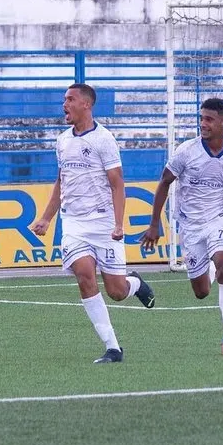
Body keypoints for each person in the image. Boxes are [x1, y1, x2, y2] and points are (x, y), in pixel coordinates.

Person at [31, 83, 156, 364]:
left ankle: (134, 284)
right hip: (73, 223)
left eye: (70, 99)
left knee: (117, 292)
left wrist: (118, 224)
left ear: (86, 104)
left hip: (103, 224)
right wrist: (46, 218)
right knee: (85, 276)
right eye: (64, 99)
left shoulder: (103, 140)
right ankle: (113, 348)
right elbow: (61, 182)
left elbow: (117, 183)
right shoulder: (62, 140)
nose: (64, 104)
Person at [141, 98, 223, 357]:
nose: (203, 124)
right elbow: (164, 183)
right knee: (201, 292)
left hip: (219, 219)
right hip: (190, 226)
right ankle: (205, 267)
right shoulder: (187, 151)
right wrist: (154, 224)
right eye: (202, 118)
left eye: (209, 119)